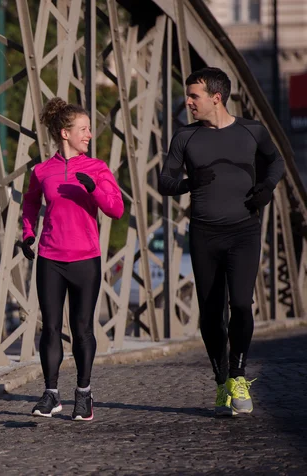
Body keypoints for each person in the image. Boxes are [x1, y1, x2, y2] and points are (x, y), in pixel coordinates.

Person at [158, 67, 285, 416]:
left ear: (216, 97)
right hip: (204, 234)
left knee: (242, 304)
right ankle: (221, 382)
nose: (187, 102)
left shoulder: (251, 130)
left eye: (193, 96)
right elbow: (164, 182)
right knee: (213, 315)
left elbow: (277, 163)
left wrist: (266, 189)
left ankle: (239, 376)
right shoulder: (185, 137)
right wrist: (188, 182)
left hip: (244, 230)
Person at [21, 97, 124, 421]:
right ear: (65, 133)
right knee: (50, 329)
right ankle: (51, 394)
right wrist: (27, 234)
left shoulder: (97, 168)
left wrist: (94, 189)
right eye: (84, 129)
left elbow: (116, 209)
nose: (89, 135)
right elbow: (30, 204)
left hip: (85, 259)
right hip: (50, 257)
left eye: (89, 129)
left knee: (82, 329)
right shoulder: (43, 170)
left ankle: (84, 394)